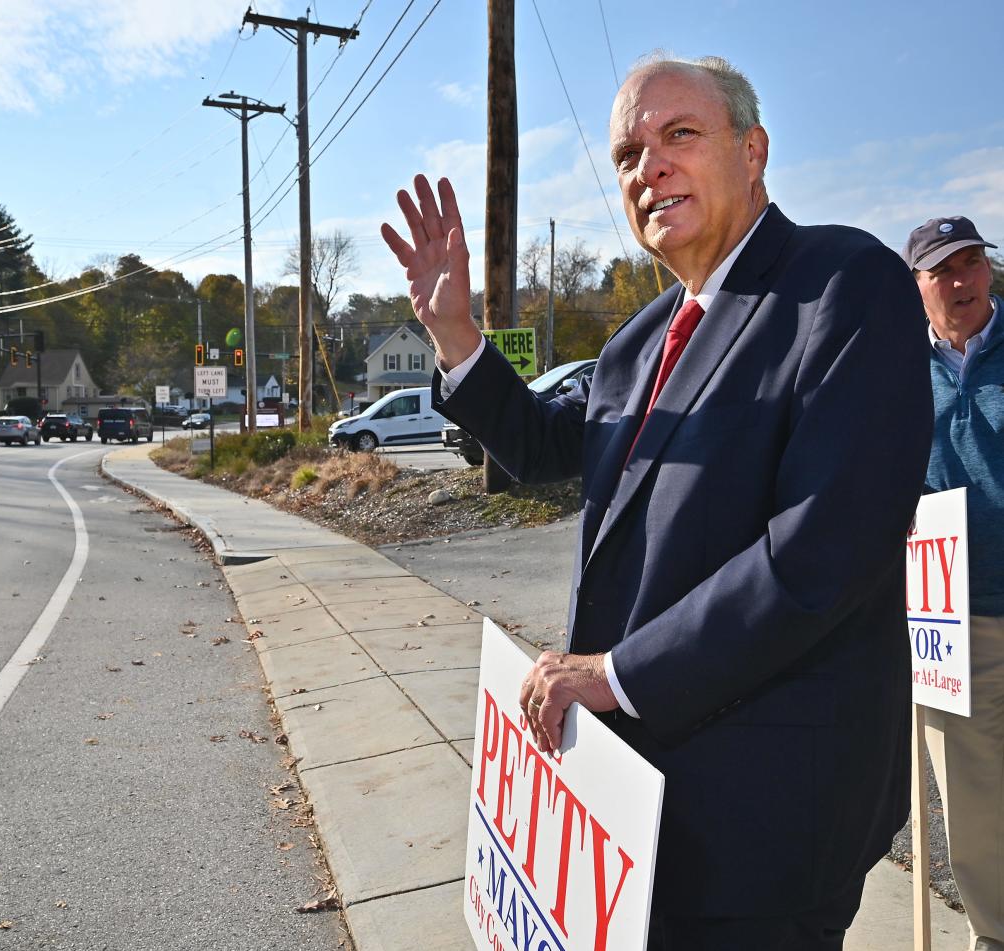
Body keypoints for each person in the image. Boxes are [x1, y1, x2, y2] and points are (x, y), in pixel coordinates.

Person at [381, 55, 933, 949]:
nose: (650, 168)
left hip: (767, 821)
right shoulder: (643, 337)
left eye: (680, 134)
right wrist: (453, 333)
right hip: (633, 805)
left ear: (753, 151)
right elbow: (542, 444)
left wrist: (614, 673)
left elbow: (822, 551)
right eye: (629, 154)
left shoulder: (844, 285)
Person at [905, 215, 1004, 951]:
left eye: (972, 261)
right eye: (943, 269)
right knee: (974, 814)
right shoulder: (896, 375)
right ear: (919, 288)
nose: (963, 279)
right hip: (955, 628)